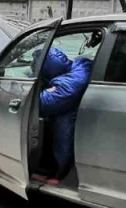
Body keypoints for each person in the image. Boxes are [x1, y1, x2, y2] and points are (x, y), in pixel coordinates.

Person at [35, 47, 94, 181]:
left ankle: (59, 173)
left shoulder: (68, 86)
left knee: (62, 122)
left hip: (70, 128)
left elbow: (38, 103)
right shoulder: (80, 66)